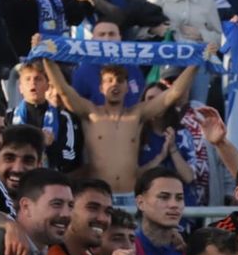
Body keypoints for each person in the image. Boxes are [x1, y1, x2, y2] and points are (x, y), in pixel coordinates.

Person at [44, 56, 197, 200]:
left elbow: (173, 94)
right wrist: (46, 58)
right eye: (109, 81)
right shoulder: (90, 113)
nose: (115, 84)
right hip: (99, 196)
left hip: (129, 195)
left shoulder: (137, 114)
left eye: (120, 80)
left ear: (127, 87)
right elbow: (63, 90)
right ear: (101, 88)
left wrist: (196, 62)